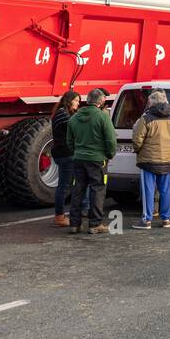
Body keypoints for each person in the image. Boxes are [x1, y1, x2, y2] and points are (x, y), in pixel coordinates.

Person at [129, 90, 170, 229]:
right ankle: (166, 219)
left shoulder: (146, 118)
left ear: (152, 102)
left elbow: (137, 139)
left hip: (148, 160)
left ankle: (146, 220)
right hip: (167, 159)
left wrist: (138, 150)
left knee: (148, 191)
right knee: (166, 190)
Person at [66, 87, 116, 234]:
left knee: (77, 190)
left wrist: (76, 152)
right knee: (97, 190)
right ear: (101, 102)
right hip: (97, 160)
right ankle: (95, 224)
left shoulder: (74, 118)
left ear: (87, 101)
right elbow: (111, 140)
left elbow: (69, 142)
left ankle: (74, 224)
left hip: (78, 159)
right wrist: (109, 154)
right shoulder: (102, 117)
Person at [50, 90, 83, 227]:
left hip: (61, 152)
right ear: (69, 101)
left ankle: (61, 215)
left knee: (65, 185)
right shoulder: (64, 114)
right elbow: (75, 128)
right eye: (76, 101)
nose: (78, 104)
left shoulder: (60, 113)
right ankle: (60, 216)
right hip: (66, 153)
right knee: (64, 186)